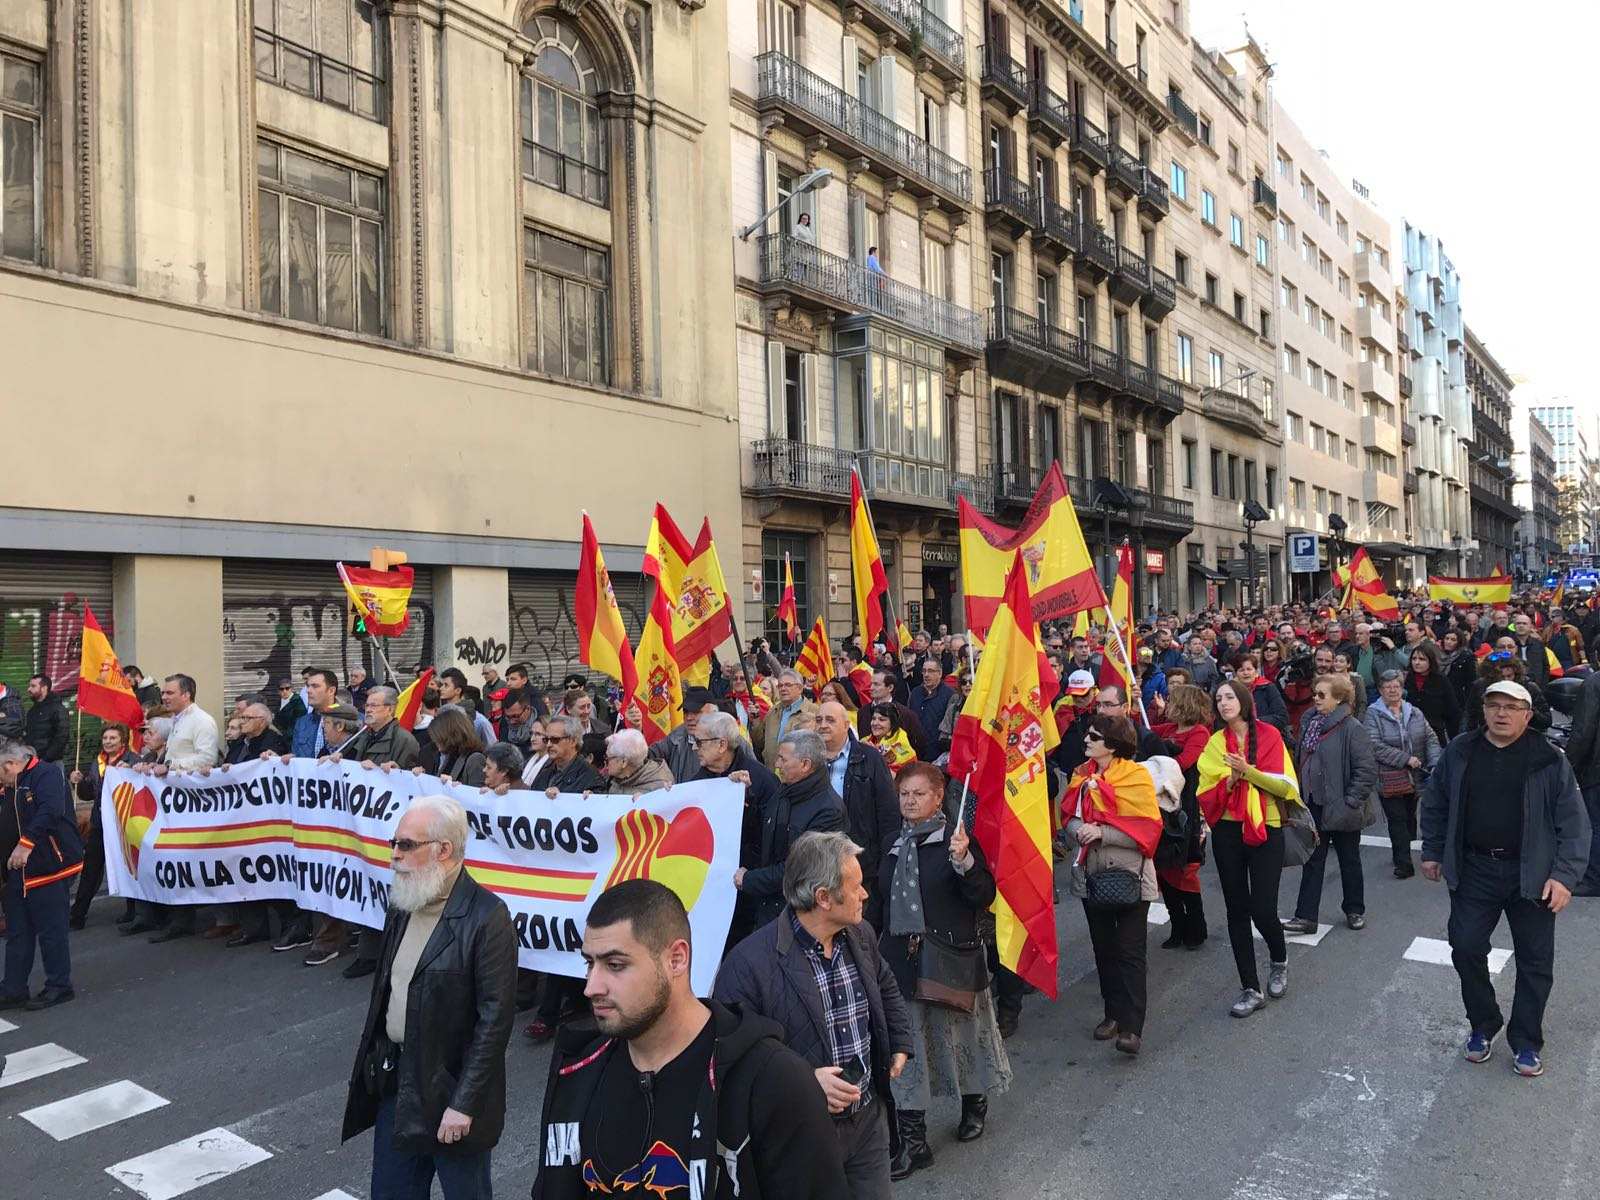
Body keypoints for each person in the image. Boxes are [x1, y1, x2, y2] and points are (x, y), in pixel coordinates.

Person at [534, 879, 846, 1199]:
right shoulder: (578, 1068)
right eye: (590, 963)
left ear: (676, 959)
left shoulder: (771, 1080)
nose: (591, 987)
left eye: (615, 965)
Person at [715, 831, 912, 1200]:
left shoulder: (861, 934)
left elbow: (884, 982)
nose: (865, 894)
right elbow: (732, 1062)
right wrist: (805, 1083)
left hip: (868, 1121)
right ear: (823, 897)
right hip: (802, 1135)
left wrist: (899, 1039)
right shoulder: (746, 966)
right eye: (856, 886)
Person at [341, 795, 516, 1197]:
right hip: (396, 1084)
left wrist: (465, 1103)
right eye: (394, 844)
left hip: (450, 1090)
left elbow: (495, 1022)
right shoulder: (404, 902)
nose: (395, 856)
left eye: (406, 845)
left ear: (443, 850)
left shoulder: (487, 917)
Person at [1420, 680, 1591, 1077]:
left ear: (1527, 715)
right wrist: (1431, 850)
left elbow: (1574, 824)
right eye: (1494, 705)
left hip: (1532, 874)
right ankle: (1484, 1023)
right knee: (1464, 947)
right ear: (1483, 709)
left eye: (1511, 707)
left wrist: (1564, 877)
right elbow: (1436, 801)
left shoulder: (1548, 759)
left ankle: (1527, 1040)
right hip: (1475, 869)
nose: (1502, 713)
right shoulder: (1460, 751)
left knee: (1535, 961)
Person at [878, 763, 1009, 1176]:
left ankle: (975, 1102)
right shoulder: (891, 843)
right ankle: (914, 1142)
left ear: (938, 798)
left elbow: (983, 895)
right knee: (907, 1047)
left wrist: (965, 861)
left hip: (951, 959)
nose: (910, 801)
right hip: (901, 961)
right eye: (904, 794)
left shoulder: (957, 842)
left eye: (919, 794)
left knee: (963, 1039)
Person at [1197, 679, 1302, 1018]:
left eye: (1229, 696)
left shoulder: (1269, 735)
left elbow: (1285, 787)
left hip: (1266, 829)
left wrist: (1247, 771)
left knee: (1263, 909)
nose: (1224, 703)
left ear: (1243, 700)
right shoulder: (1215, 743)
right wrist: (1229, 780)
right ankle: (1250, 988)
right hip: (1228, 831)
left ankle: (1279, 960)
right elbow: (1206, 791)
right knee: (1237, 910)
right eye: (1219, 699)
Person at [1064, 714, 1162, 1056]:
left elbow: (1147, 830)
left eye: (1094, 736)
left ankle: (1132, 1028)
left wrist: (1102, 832)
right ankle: (1112, 1014)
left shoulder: (1136, 777)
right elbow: (1069, 816)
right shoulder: (1081, 775)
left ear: (1113, 744)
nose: (1086, 740)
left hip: (1130, 876)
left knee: (1130, 952)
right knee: (1104, 950)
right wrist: (1079, 828)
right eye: (1087, 735)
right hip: (1092, 876)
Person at [1283, 672, 1377, 935]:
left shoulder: (1352, 728)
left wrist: (1350, 802)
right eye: (1316, 693)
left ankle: (1354, 909)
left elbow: (1366, 770)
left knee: (1349, 859)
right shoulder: (1310, 722)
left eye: (1322, 694)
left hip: (1342, 806)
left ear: (1338, 699)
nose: (1316, 698)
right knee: (1313, 859)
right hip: (1314, 803)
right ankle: (1306, 916)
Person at [0, 737, 82, 1009]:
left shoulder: (46, 774)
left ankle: (59, 985)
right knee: (18, 932)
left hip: (49, 866)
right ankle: (13, 988)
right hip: (18, 872)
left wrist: (26, 845)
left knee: (51, 931)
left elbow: (50, 811)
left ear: (10, 765)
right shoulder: (12, 785)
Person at [737, 730, 847, 931]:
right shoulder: (786, 790)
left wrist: (750, 879)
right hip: (769, 910)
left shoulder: (829, 811)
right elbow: (765, 831)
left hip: (800, 918)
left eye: (782, 759)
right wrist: (746, 797)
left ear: (805, 765)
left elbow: (801, 869)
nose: (777, 765)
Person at [816, 700, 900, 931]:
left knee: (860, 931)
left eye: (830, 720)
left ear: (846, 725)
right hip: (820, 862)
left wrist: (886, 862)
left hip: (862, 863)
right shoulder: (809, 760)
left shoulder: (869, 758)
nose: (823, 725)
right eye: (819, 720)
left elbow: (888, 813)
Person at [1150, 684, 1213, 950]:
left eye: (1173, 701)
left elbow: (1185, 762)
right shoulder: (1171, 730)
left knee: (1186, 870)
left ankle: (1196, 928)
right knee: (1165, 870)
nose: (1168, 705)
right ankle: (1177, 927)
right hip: (1165, 808)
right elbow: (1144, 734)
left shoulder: (1199, 733)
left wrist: (1162, 747)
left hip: (1186, 809)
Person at [1365, 669, 1442, 880]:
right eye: (1387, 687)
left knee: (1409, 818)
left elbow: (1430, 738)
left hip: (1415, 776)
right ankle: (1403, 863)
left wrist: (1435, 763)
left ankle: (1403, 848)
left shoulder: (1414, 712)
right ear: (1380, 690)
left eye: (1396, 686)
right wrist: (1404, 759)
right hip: (1388, 776)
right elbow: (1373, 745)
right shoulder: (1373, 714)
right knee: (1397, 819)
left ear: (1402, 688)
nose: (1392, 690)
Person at [68, 722, 137, 930]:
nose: (108, 742)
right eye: (105, 738)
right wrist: (78, 782)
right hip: (99, 824)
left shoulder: (133, 760)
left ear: (122, 741)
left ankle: (133, 912)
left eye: (112, 738)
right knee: (91, 870)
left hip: (123, 825)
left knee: (128, 869)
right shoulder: (98, 762)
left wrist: (131, 772)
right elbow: (89, 793)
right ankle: (78, 914)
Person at [649, 687, 718, 783]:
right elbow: (647, 758)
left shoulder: (730, 738)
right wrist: (636, 728)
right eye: (686, 712)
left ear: (713, 713)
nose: (689, 717)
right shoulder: (676, 737)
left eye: (695, 712)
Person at [752, 670, 818, 768]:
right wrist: (756, 719)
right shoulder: (773, 711)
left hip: (798, 776)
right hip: (772, 773)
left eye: (788, 685)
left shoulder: (814, 712)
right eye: (780, 685)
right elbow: (759, 742)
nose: (783, 689)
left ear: (800, 688)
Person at [348, 686, 422, 772]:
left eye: (373, 705)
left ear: (390, 709)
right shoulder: (361, 735)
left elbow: (411, 778)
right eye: (367, 705)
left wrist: (378, 770)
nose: (368, 710)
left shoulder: (405, 740)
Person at [530, 714, 604, 794]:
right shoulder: (545, 772)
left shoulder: (590, 776)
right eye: (546, 740)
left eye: (555, 739)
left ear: (573, 741)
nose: (548, 744)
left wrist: (561, 797)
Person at [1405, 642, 1460, 748]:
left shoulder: (1441, 680)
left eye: (1422, 659)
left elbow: (1453, 710)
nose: (1416, 662)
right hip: (1411, 733)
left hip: (1435, 732)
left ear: (1431, 660)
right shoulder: (1408, 678)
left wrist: (1453, 737)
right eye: (1414, 659)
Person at [428, 708, 488, 788]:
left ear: (449, 736)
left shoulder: (475, 759)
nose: (438, 747)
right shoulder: (450, 755)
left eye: (439, 741)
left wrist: (455, 786)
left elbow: (477, 795)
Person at [602, 728, 674, 795]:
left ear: (624, 762)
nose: (605, 764)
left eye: (607, 759)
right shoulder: (614, 777)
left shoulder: (659, 789)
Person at [907, 659, 954, 760]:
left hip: (937, 753)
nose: (926, 675)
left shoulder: (950, 695)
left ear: (940, 673)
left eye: (931, 671)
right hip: (916, 751)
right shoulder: (915, 692)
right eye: (924, 671)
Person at [438, 668, 498, 746]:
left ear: (458, 690)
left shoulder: (479, 721)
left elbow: (492, 748)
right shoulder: (440, 716)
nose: (441, 689)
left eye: (446, 685)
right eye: (441, 685)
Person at [1231, 654, 1287, 737]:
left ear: (1256, 671)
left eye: (1249, 669)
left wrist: (1256, 722)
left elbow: (1282, 717)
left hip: (1267, 735)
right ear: (1236, 673)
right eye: (1241, 670)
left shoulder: (1268, 687)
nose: (1246, 673)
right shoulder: (1230, 691)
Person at [23, 674, 68, 763]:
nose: (29, 689)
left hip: (51, 763)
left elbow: (62, 737)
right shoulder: (32, 711)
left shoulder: (57, 709)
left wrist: (45, 759)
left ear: (44, 688)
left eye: (33, 686)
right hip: (33, 761)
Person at [863, 704, 916, 777]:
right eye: (873, 719)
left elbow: (897, 779)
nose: (875, 723)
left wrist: (875, 756)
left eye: (882, 720)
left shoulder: (900, 745)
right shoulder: (865, 741)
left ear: (892, 723)